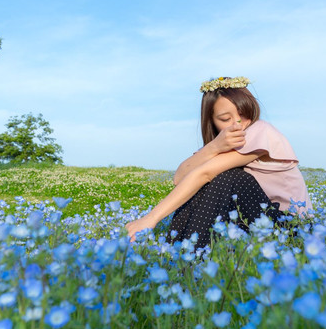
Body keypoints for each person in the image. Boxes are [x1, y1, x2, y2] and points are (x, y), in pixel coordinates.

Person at [125, 76, 312, 247]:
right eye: (225, 118)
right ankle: (178, 250)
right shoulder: (222, 144)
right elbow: (180, 177)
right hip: (254, 221)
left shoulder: (261, 131)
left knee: (230, 177)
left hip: (291, 227)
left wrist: (151, 218)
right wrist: (214, 147)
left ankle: (191, 259)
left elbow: (204, 173)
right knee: (203, 181)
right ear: (211, 121)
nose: (238, 123)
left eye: (243, 113)